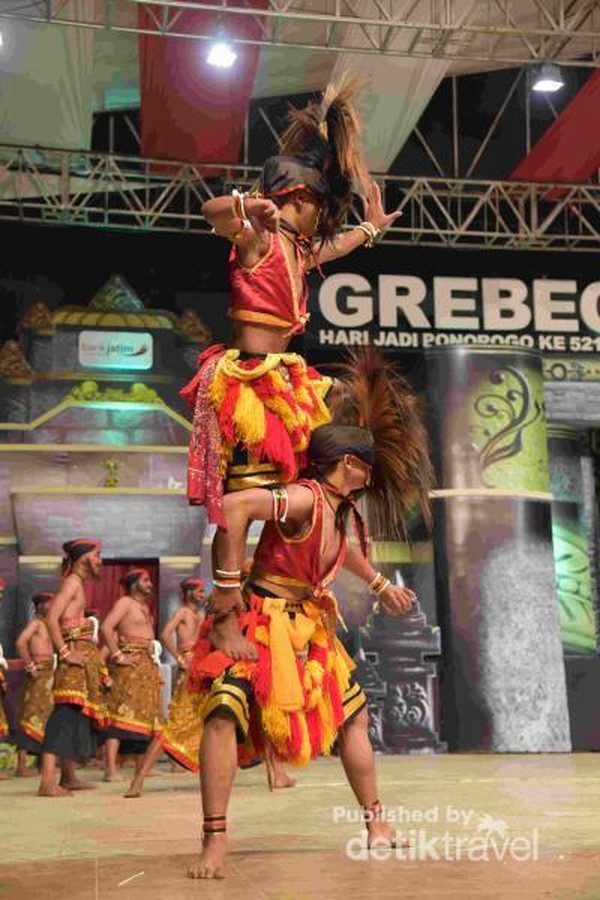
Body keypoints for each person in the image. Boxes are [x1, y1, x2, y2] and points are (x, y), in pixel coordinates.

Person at [186, 357, 432, 878]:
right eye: (366, 464)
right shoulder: (301, 498)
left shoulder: (340, 508)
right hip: (260, 616)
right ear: (348, 464)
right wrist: (227, 598)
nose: (371, 473)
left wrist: (381, 585)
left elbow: (345, 551)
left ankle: (377, 824)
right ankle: (214, 840)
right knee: (224, 712)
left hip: (307, 624)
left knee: (355, 717)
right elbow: (233, 510)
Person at [181, 77, 400, 529]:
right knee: (243, 493)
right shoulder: (259, 239)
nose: (323, 216)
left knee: (329, 423)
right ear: (300, 197)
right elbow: (211, 211)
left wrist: (371, 229)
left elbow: (336, 247)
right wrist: (246, 208)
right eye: (319, 205)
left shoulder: (297, 249)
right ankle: (229, 583)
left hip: (283, 375)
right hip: (250, 377)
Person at [124, 577, 206, 797]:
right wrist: (179, 658)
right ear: (189, 593)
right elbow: (164, 633)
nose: (202, 594)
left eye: (203, 591)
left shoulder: (199, 615)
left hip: (202, 669)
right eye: (199, 591)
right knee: (172, 725)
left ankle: (199, 771)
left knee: (204, 722)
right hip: (188, 668)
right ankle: (138, 781)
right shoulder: (183, 612)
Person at [37, 540, 107, 797]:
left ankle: (68, 776)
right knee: (63, 715)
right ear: (83, 558)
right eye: (97, 555)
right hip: (73, 659)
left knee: (73, 714)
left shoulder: (77, 583)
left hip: (81, 659)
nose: (100, 560)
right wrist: (66, 653)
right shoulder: (72, 583)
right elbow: (51, 617)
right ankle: (47, 781)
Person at [102, 569, 163, 782]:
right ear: (135, 583)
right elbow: (107, 627)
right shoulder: (125, 603)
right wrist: (118, 656)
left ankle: (140, 766)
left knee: (144, 717)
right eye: (145, 580)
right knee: (119, 718)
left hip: (146, 666)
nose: (149, 584)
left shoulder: (144, 607)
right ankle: (110, 770)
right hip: (129, 667)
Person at [14, 592, 55, 775]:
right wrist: (30, 666)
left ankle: (42, 764)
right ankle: (21, 765)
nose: (53, 606)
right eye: (50, 603)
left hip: (49, 673)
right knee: (31, 715)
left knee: (47, 718)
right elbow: (20, 642)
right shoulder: (36, 623)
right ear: (41, 606)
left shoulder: (49, 625)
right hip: (38, 673)